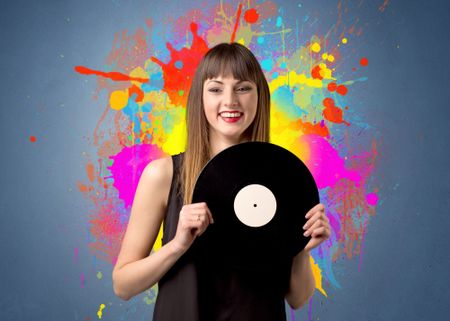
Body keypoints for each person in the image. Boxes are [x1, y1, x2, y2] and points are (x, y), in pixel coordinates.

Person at [112, 42, 331, 321]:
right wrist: (178, 245)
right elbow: (123, 285)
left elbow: (298, 299)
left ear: (259, 96)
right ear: (199, 98)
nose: (230, 101)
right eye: (216, 89)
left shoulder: (285, 180)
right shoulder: (163, 174)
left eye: (243, 88)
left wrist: (302, 247)